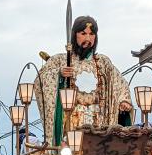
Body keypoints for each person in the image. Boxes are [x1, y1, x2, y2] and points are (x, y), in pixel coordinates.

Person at [34, 15, 133, 146]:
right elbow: (40, 80)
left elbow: (119, 83)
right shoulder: (60, 60)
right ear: (74, 35)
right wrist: (59, 75)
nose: (88, 38)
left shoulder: (103, 63)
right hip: (71, 118)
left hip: (99, 118)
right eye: (83, 33)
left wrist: (123, 100)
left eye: (92, 34)